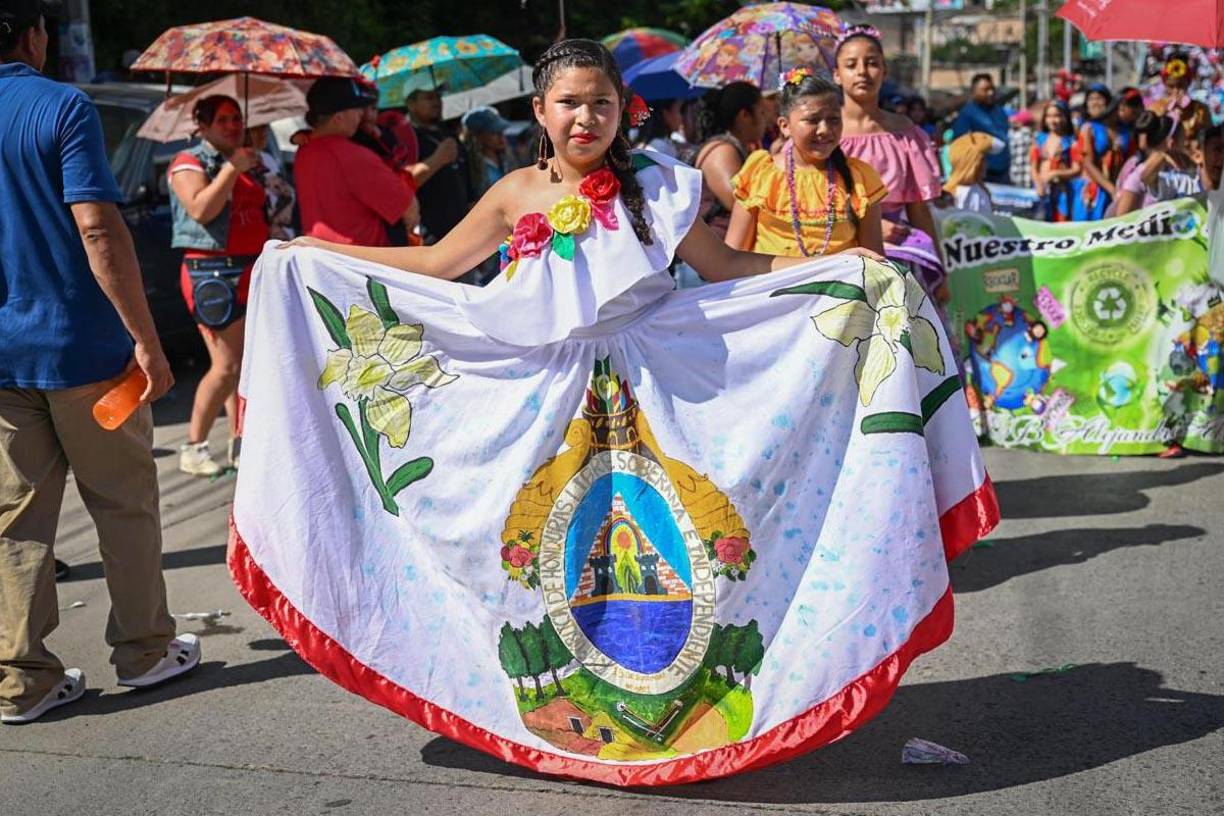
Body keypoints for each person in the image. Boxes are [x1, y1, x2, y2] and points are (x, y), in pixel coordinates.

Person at [251, 37, 991, 782]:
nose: (585, 118)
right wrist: (313, 253)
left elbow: (728, 265)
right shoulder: (513, 192)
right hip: (546, 397)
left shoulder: (657, 182)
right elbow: (438, 264)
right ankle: (575, 708)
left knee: (694, 542)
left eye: (600, 102)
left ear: (621, 110)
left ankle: (704, 699)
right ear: (540, 111)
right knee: (544, 554)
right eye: (569, 103)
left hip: (664, 385)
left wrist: (838, 266)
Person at [1, 0, 199, 725]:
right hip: (82, 346)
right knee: (122, 499)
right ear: (33, 35)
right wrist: (146, 340)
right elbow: (98, 227)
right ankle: (145, 650)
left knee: (15, 518)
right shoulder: (61, 106)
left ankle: (23, 678)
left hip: (3, 359)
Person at [168, 94, 268, 476]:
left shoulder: (247, 158)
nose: (233, 125)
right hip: (212, 274)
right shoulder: (188, 162)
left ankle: (241, 441)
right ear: (203, 126)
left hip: (250, 267)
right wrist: (232, 169)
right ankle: (193, 445)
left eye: (236, 117)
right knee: (227, 367)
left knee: (242, 367)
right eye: (223, 120)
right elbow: (200, 208)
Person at [836, 24, 947, 301]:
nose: (862, 71)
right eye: (851, 64)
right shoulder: (824, 132)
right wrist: (871, 225)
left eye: (872, 63)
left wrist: (941, 270)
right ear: (837, 74)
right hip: (840, 256)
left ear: (884, 71)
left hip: (899, 255)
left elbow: (919, 210)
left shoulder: (903, 131)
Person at [725, 69, 886, 258]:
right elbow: (733, 256)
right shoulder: (762, 174)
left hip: (839, 286)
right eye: (812, 120)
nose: (825, 130)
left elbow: (874, 258)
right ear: (785, 126)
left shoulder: (860, 177)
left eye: (834, 120)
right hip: (772, 285)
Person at [294, 77, 417, 248]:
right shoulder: (352, 156)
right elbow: (409, 211)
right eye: (357, 108)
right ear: (339, 117)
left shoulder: (303, 152)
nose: (362, 113)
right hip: (367, 265)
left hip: (323, 263)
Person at [692, 81, 769, 241]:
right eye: (761, 112)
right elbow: (738, 204)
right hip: (714, 254)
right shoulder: (722, 151)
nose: (766, 120)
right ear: (745, 116)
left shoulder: (739, 147)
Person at [405, 87, 466, 243]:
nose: (436, 102)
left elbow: (468, 186)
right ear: (411, 104)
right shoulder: (404, 139)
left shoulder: (449, 135)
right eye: (429, 98)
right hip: (429, 238)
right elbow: (403, 184)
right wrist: (438, 159)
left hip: (463, 234)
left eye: (438, 97)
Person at [1115, 112, 1201, 216]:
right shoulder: (1139, 174)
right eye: (1183, 136)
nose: (1186, 141)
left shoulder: (1187, 167)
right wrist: (1162, 156)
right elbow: (1121, 218)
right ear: (1171, 141)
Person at [1071, 84, 1133, 221]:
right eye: (1091, 99)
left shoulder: (1125, 130)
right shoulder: (1088, 128)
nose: (1095, 103)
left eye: (1099, 98)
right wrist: (1111, 189)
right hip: (1093, 191)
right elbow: (1088, 164)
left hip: (1119, 189)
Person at [952, 73, 1011, 184]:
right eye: (985, 90)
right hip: (980, 175)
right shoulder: (967, 114)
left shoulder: (1000, 111)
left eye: (992, 89)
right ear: (974, 92)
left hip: (1003, 173)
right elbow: (961, 143)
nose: (990, 93)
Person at [1031, 101, 1079, 222]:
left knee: (1060, 224)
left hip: (1063, 191)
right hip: (1042, 191)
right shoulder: (1039, 139)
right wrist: (1038, 183)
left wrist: (1055, 174)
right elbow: (1033, 167)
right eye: (1049, 116)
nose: (1053, 120)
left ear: (1065, 117)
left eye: (1057, 116)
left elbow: (1077, 169)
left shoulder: (1071, 142)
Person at [941, 133, 1003, 214]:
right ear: (972, 163)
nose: (986, 165)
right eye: (982, 160)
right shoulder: (957, 194)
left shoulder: (980, 190)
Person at [462, 105, 514, 198]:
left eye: (501, 131)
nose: (501, 137)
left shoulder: (507, 159)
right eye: (494, 133)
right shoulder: (470, 167)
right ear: (479, 136)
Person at [1008, 109, 1036, 189]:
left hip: (1014, 177)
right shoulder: (1034, 137)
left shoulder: (1013, 136)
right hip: (1029, 178)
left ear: (1020, 122)